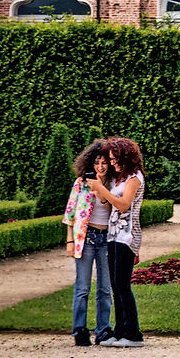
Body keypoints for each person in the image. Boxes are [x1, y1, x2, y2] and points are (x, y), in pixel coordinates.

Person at [90, 137, 145, 347]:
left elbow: (123, 205)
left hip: (128, 235)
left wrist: (103, 191)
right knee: (116, 285)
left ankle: (133, 333)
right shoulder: (118, 179)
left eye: (114, 159)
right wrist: (101, 193)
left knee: (122, 285)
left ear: (125, 157)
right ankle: (120, 330)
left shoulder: (134, 178)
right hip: (113, 234)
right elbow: (111, 207)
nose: (111, 162)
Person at [65, 140, 112, 347]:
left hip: (107, 239)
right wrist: (69, 240)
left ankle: (103, 329)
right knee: (82, 287)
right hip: (86, 239)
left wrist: (101, 191)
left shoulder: (112, 184)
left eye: (104, 163)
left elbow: (116, 211)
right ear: (90, 164)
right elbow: (71, 213)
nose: (100, 167)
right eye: (96, 163)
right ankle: (80, 330)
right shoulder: (80, 183)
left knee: (105, 288)